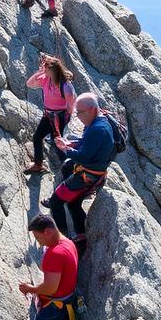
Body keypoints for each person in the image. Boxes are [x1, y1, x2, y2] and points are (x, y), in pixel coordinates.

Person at [48, 92, 116, 252]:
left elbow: (84, 156)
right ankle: (81, 236)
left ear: (92, 109)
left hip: (87, 175)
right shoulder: (100, 122)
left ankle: (61, 242)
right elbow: (88, 144)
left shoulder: (97, 129)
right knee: (73, 202)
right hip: (96, 173)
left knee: (55, 202)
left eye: (80, 112)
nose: (77, 116)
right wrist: (71, 143)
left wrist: (65, 149)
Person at [24, 55, 76, 174]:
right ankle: (38, 164)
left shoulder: (65, 86)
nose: (43, 68)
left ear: (52, 70)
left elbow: (70, 105)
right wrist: (39, 72)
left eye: (45, 67)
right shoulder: (45, 79)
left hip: (59, 117)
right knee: (37, 137)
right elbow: (29, 84)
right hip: (48, 114)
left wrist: (64, 119)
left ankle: (69, 167)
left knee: (57, 142)